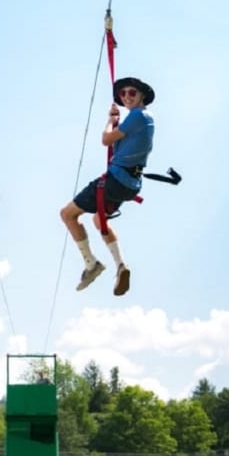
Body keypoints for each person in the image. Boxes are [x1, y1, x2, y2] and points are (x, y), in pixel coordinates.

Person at [60, 77, 154, 296]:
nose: (126, 97)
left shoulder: (139, 115)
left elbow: (105, 139)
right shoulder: (140, 121)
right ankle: (121, 265)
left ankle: (91, 265)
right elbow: (117, 142)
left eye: (131, 93)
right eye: (123, 94)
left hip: (115, 180)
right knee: (98, 220)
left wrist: (109, 120)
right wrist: (116, 121)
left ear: (142, 95)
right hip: (129, 185)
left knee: (67, 214)